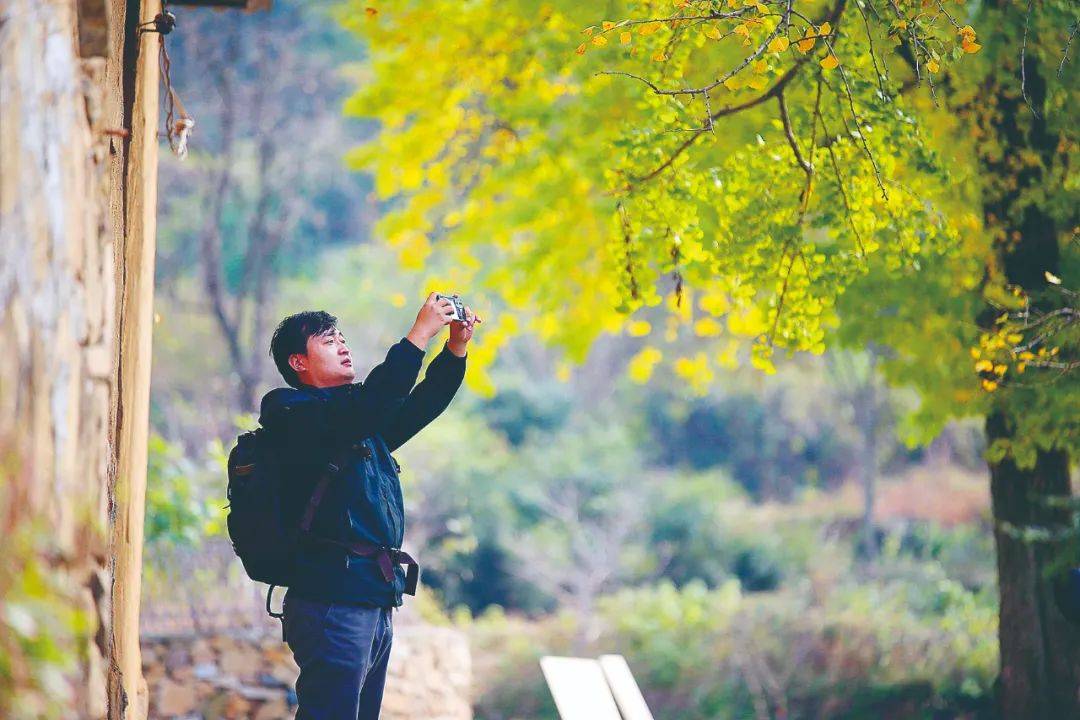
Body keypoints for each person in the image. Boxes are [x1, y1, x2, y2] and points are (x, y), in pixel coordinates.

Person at [260, 293, 480, 719]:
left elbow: (420, 405)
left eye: (342, 337)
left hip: (369, 596)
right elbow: (374, 401)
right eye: (328, 340)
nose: (343, 345)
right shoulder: (293, 414)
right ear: (298, 363)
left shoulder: (356, 420)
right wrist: (418, 334)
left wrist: (455, 349)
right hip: (330, 600)